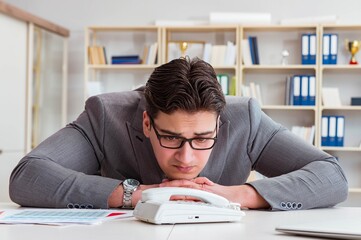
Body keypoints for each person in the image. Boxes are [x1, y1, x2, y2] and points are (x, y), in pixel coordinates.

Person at [9, 57, 348, 210]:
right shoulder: (105, 115)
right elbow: (27, 175)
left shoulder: (245, 118)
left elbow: (332, 176)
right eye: (170, 138)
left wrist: (237, 195)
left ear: (219, 124)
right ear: (146, 123)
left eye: (202, 139)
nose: (186, 158)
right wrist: (134, 195)